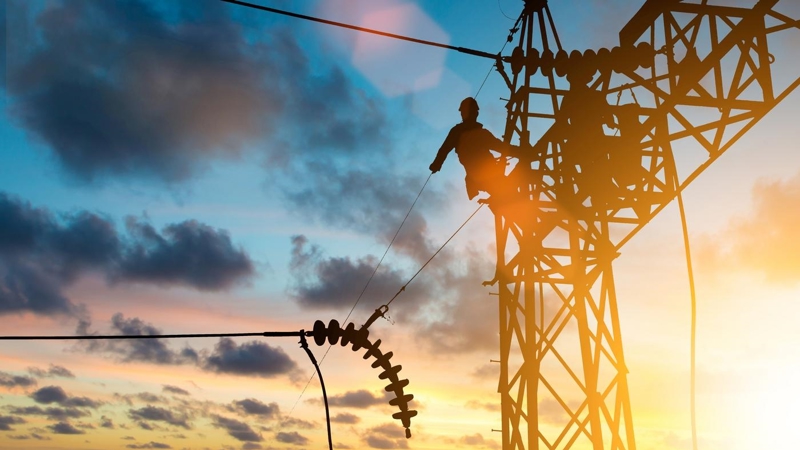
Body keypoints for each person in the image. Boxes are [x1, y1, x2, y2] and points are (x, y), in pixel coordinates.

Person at [429, 97, 514, 200]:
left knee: (508, 194)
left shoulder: (479, 133)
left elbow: (500, 147)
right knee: (508, 194)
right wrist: (437, 164)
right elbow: (445, 149)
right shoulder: (464, 132)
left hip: (486, 174)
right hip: (484, 175)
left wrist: (437, 164)